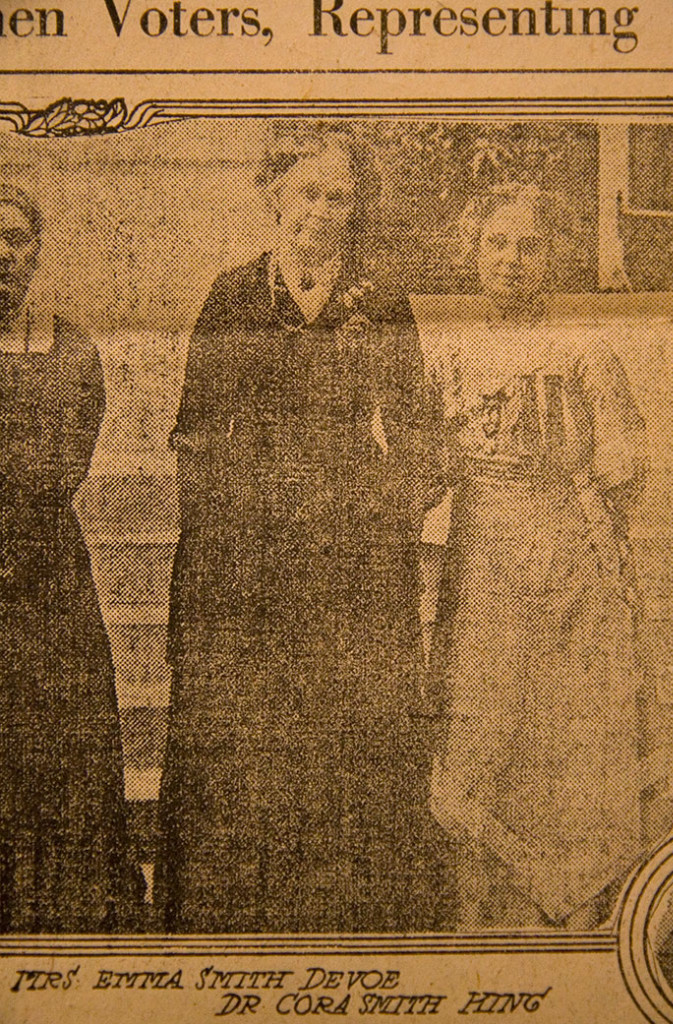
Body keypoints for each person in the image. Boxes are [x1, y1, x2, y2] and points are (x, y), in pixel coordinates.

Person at [153, 124, 454, 933]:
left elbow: (422, 438)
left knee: (346, 737)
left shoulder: (381, 302)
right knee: (247, 740)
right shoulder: (232, 296)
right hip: (246, 561)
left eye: (340, 197)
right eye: (308, 193)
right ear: (274, 195)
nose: (322, 212)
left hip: (350, 563)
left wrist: (377, 509)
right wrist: (245, 514)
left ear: (356, 211)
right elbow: (193, 433)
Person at [426, 183, 653, 930]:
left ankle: (571, 918)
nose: (512, 261)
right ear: (473, 252)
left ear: (549, 256)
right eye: (496, 244)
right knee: (477, 738)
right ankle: (483, 917)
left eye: (528, 246)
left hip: (565, 563)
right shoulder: (451, 349)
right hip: (482, 556)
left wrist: (583, 536)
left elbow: (622, 464)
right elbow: (431, 462)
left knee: (566, 737)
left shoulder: (583, 344)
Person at [0, 185, 143, 932]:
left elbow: (65, 462)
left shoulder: (74, 345)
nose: (3, 254)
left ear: (37, 251)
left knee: (62, 734)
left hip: (47, 573)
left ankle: (64, 903)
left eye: (18, 239)